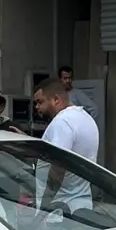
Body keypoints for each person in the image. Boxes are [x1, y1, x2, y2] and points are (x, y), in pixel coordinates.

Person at [34, 77, 98, 213]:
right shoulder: (86, 118)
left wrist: (43, 209)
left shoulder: (62, 122)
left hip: (59, 211)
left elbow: (57, 168)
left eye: (40, 102)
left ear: (56, 99)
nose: (37, 107)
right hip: (81, 205)